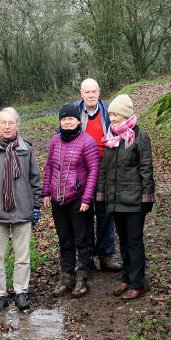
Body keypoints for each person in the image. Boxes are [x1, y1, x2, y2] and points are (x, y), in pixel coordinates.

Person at [0, 107, 43, 312]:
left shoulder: (26, 149)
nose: (7, 126)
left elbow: (34, 179)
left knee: (23, 257)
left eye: (11, 122)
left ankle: (21, 292)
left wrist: (36, 205)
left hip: (23, 211)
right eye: (3, 122)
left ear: (17, 125)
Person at [95, 94, 155, 301]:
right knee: (124, 241)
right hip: (115, 199)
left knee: (134, 241)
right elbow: (105, 168)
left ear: (126, 114)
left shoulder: (140, 137)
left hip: (135, 200)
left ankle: (138, 283)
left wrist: (147, 197)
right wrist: (101, 195)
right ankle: (127, 277)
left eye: (116, 114)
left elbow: (146, 168)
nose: (112, 118)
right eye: (110, 114)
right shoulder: (110, 137)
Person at [43, 104, 101, 297]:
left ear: (78, 120)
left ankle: (82, 277)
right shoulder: (54, 141)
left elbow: (94, 172)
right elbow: (49, 167)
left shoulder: (88, 142)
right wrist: (45, 193)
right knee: (64, 240)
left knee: (82, 239)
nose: (68, 121)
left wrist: (87, 198)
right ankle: (66, 275)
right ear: (60, 121)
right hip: (58, 199)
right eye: (64, 118)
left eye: (71, 118)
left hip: (79, 199)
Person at [73, 78, 122, 272]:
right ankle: (85, 259)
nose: (91, 95)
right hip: (81, 169)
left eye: (94, 91)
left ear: (99, 92)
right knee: (83, 213)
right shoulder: (74, 112)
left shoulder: (109, 111)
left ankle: (105, 254)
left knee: (105, 211)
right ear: (81, 93)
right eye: (87, 92)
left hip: (105, 167)